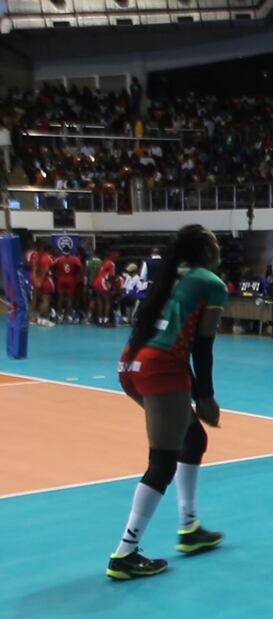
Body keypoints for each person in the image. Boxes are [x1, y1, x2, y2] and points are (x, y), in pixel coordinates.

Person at [108, 225, 227, 580]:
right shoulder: (211, 283)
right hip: (161, 368)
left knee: (193, 439)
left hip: (130, 363)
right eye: (215, 242)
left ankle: (190, 528)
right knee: (162, 462)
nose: (219, 248)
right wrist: (205, 395)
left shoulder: (172, 275)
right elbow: (202, 345)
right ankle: (125, 553)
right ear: (206, 250)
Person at [52, 247, 83, 323]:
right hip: (71, 279)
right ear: (70, 251)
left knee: (60, 298)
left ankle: (60, 316)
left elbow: (51, 266)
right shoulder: (74, 259)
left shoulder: (59, 259)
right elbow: (81, 267)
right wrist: (78, 275)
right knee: (70, 298)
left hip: (61, 279)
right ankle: (68, 316)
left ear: (62, 251)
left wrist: (55, 274)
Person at [28, 242, 54, 326]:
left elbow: (34, 269)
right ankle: (42, 320)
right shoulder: (47, 257)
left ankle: (33, 318)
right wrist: (40, 281)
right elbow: (46, 271)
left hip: (34, 280)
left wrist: (35, 280)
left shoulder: (34, 256)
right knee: (46, 300)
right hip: (45, 281)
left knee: (34, 299)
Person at [92, 249, 118, 326]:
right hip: (102, 282)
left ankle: (100, 319)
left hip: (96, 281)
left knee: (100, 301)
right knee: (107, 301)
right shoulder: (111, 263)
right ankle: (106, 320)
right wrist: (113, 287)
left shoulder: (103, 262)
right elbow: (111, 276)